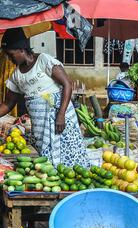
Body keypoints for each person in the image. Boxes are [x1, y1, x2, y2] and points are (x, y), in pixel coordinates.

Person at [0, 28, 89, 167]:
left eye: (11, 54)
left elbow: (67, 85)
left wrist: (61, 115)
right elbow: (8, 103)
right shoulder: (16, 76)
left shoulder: (43, 60)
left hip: (61, 117)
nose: (10, 59)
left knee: (69, 150)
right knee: (46, 158)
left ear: (22, 49)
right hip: (40, 123)